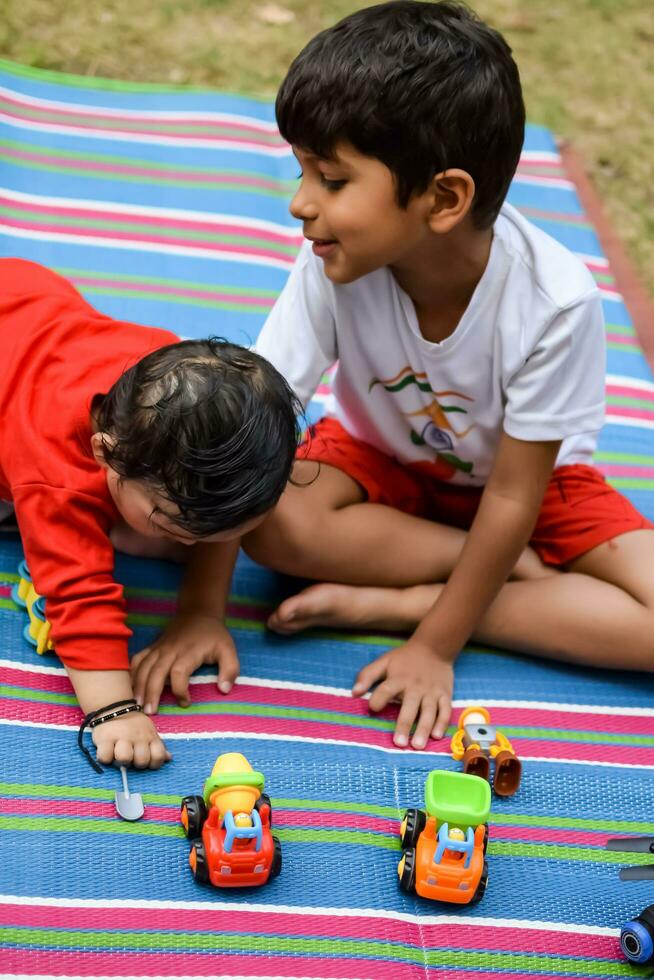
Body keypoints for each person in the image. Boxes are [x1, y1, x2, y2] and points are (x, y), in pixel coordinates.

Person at [238, 0, 654, 749]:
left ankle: (403, 599)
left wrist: (431, 638)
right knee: (268, 515)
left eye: (331, 178)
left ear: (444, 198)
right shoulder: (333, 262)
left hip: (529, 490)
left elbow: (516, 494)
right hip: (379, 463)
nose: (301, 204)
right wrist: (202, 612)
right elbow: (256, 418)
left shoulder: (554, 302)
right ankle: (502, 577)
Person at [0, 258, 300, 769]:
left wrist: (202, 610)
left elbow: (213, 509)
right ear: (103, 452)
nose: (190, 545)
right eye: (169, 522)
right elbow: (76, 593)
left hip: (23, 295)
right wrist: (115, 712)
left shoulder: (175, 385)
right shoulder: (57, 477)